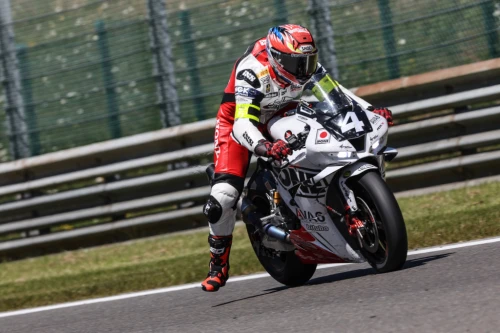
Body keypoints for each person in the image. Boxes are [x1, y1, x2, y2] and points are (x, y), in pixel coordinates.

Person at [201, 24, 394, 292]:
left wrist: (370, 110)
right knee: (222, 198)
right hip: (239, 122)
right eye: (297, 63)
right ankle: (218, 263)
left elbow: (335, 91)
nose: (305, 69)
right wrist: (262, 147)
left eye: (309, 61)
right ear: (277, 58)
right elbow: (242, 123)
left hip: (283, 110)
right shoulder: (252, 70)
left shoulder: (302, 60)